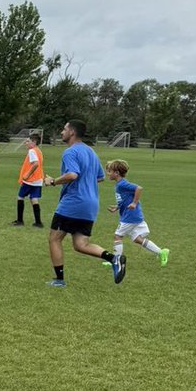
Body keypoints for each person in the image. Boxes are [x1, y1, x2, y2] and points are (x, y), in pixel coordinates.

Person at [43, 119, 124, 287]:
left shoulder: (70, 152)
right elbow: (100, 177)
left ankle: (59, 280)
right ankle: (114, 258)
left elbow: (72, 175)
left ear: (72, 132)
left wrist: (52, 182)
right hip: (90, 204)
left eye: (64, 129)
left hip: (73, 202)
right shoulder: (91, 152)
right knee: (80, 244)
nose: (61, 132)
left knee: (54, 239)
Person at [105, 159, 170, 268]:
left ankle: (116, 261)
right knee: (137, 239)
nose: (108, 173)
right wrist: (117, 207)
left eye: (109, 171)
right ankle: (161, 252)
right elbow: (125, 199)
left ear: (116, 173)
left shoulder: (122, 184)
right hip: (134, 216)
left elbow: (138, 188)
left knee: (117, 236)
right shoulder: (120, 184)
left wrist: (135, 203)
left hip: (129, 217)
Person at [11, 131, 44, 227]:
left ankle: (20, 221)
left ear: (33, 142)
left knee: (20, 197)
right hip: (38, 180)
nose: (26, 143)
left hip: (30, 180)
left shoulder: (32, 151)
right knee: (34, 199)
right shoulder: (38, 150)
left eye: (27, 141)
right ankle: (38, 222)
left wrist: (27, 175)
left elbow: (36, 164)